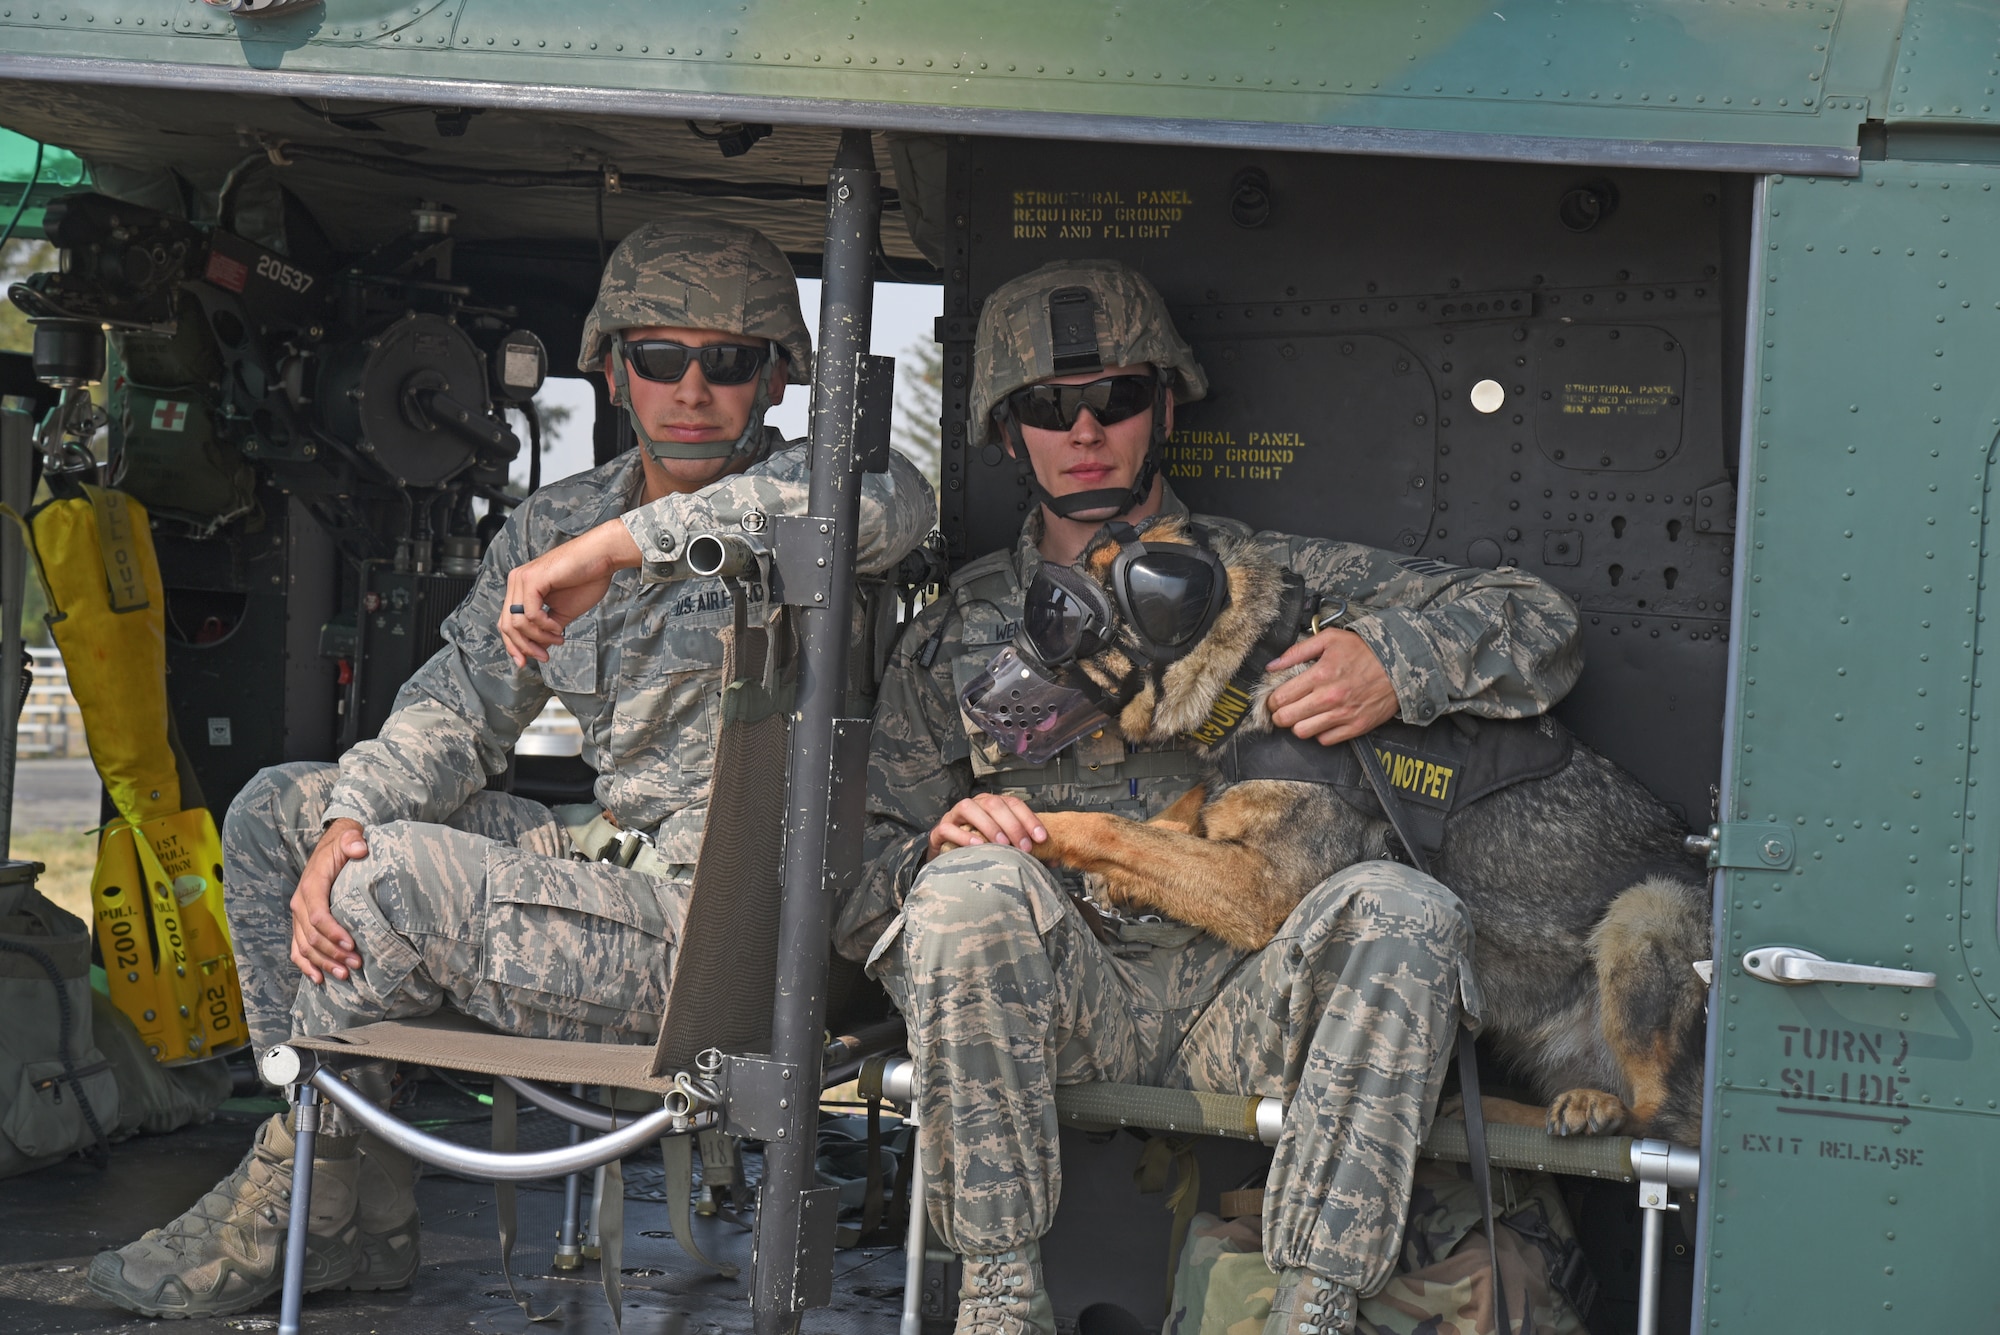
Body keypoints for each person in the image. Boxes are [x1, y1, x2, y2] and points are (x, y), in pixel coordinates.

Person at [88, 219, 935, 1320]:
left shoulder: (833, 496)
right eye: (659, 358)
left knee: (387, 884)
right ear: (612, 366)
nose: (692, 388)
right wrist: (351, 816)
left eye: (727, 361)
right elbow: (457, 705)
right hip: (617, 881)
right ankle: (344, 1178)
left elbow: (868, 511)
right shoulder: (556, 519)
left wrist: (618, 550)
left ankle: (302, 1195)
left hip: (733, 934)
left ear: (777, 376)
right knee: (280, 819)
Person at [843, 258, 1581, 1335]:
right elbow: (863, 884)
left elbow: (1538, 622)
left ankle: (1315, 1309)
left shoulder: (1270, 581)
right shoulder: (956, 633)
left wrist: (1390, 661)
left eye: (1116, 398)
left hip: (1253, 994)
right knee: (961, 895)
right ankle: (997, 1305)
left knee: (1405, 911)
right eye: (1048, 407)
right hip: (1065, 1004)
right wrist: (936, 849)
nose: (1085, 430)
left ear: (1165, 408)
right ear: (1009, 435)